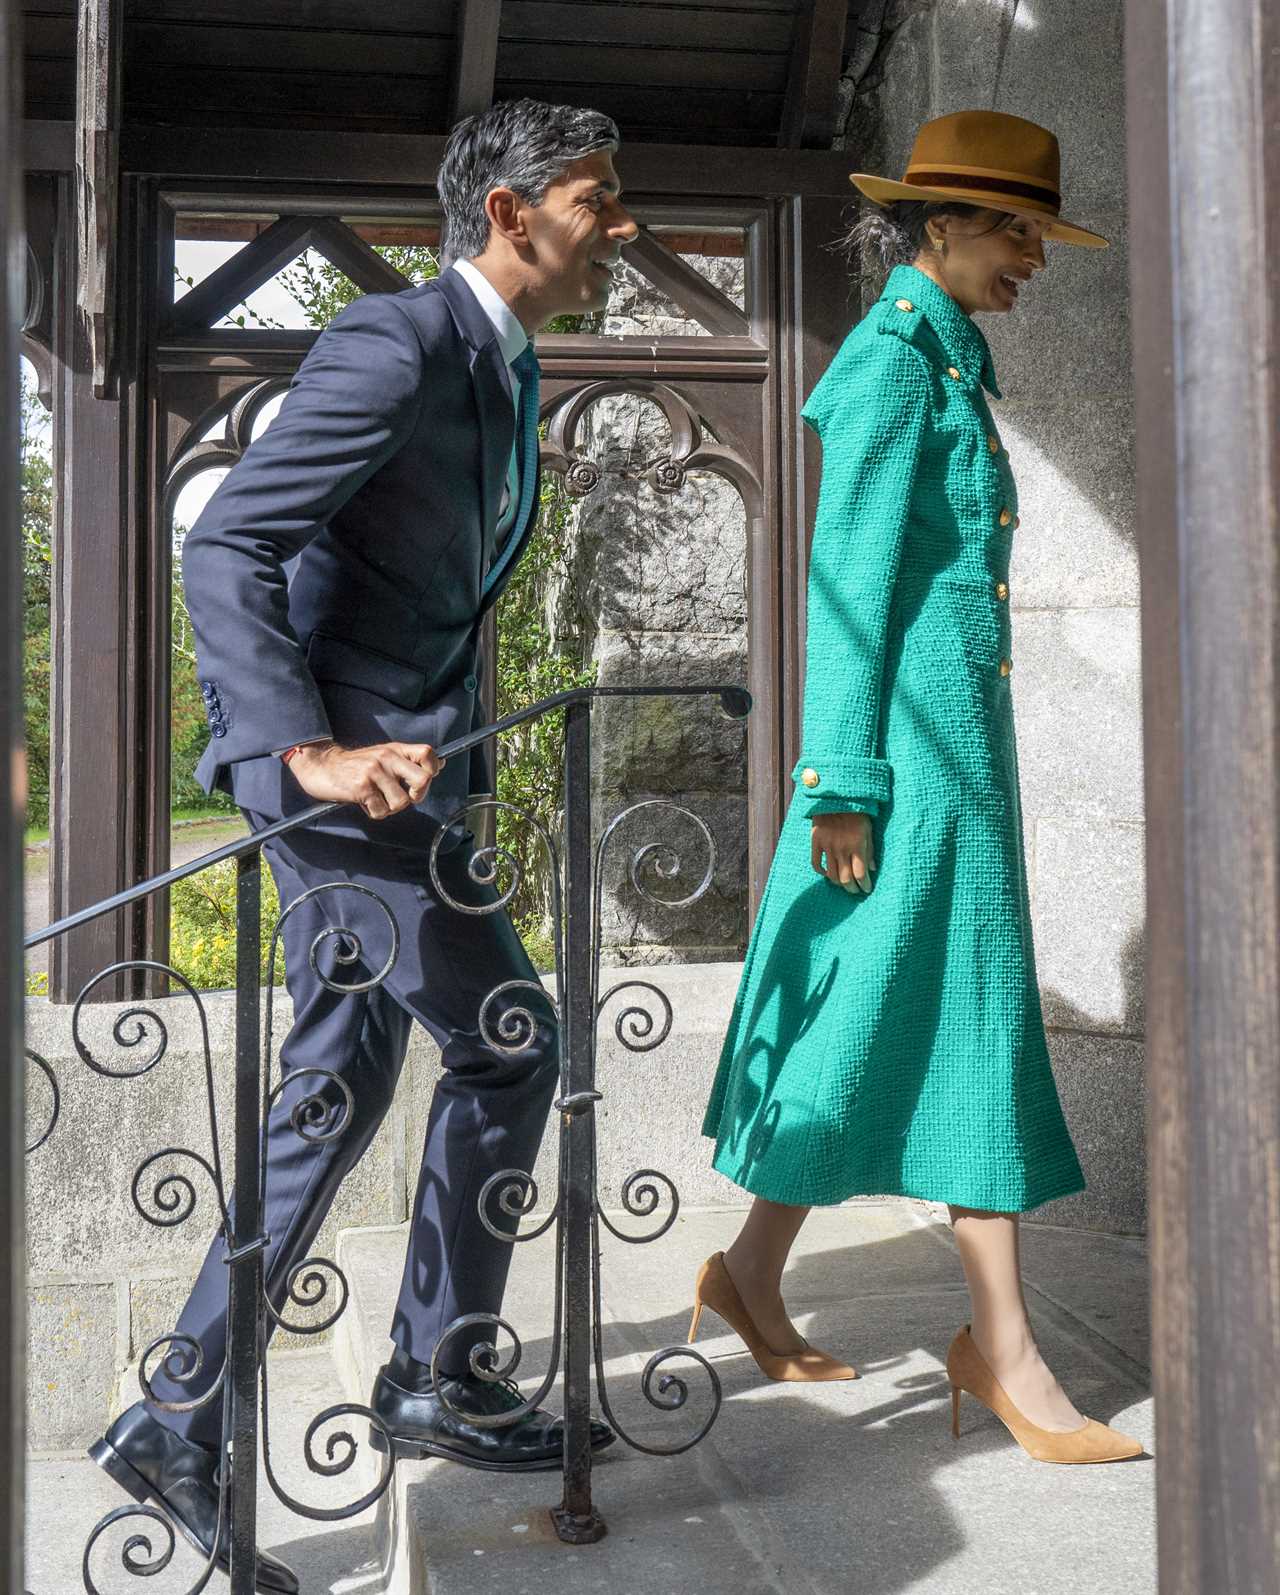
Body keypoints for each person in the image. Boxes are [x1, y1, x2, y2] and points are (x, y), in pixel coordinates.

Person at [88, 99, 640, 1591]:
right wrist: (302, 748)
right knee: (513, 1037)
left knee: (337, 1084)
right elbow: (227, 540)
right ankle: (432, 1378)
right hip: (342, 793)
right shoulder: (398, 340)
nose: (623, 223)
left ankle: (197, 1417)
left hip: (405, 785)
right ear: (512, 212)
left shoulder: (505, 363)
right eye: (600, 199)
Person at [696, 110, 1143, 1465]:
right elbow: (849, 594)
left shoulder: (944, 357)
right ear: (940, 225)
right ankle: (1003, 1350)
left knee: (857, 1020)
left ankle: (748, 1275)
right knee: (971, 1017)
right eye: (1019, 232)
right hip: (906, 766)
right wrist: (846, 782)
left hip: (950, 754)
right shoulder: (896, 367)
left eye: (1040, 234)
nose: (1036, 261)